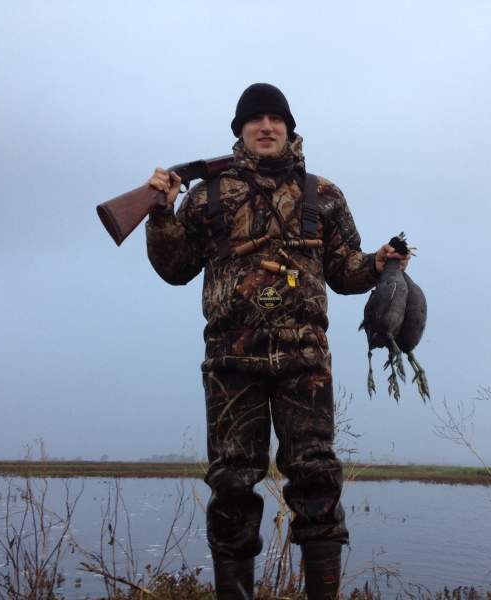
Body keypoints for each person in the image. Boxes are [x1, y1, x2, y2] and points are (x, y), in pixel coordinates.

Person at [145, 83, 409, 600]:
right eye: (255, 119)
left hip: (304, 362)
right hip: (230, 363)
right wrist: (159, 210)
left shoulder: (324, 194)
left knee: (316, 480)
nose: (266, 127)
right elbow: (174, 269)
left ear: (289, 128)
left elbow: (344, 270)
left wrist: (377, 264)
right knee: (231, 486)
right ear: (240, 131)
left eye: (276, 119)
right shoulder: (206, 195)